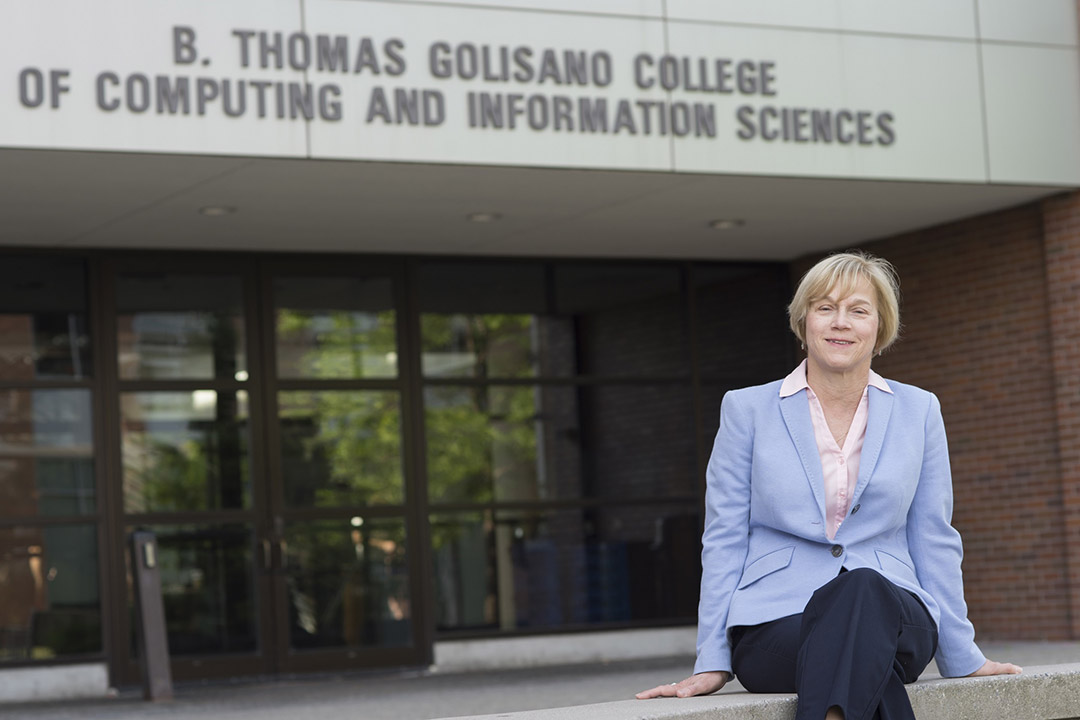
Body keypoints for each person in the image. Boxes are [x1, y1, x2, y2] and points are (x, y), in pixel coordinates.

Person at [636, 252, 1021, 720]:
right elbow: (724, 538)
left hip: (896, 617)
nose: (841, 323)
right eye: (824, 308)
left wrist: (963, 655)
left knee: (862, 589)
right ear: (803, 323)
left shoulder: (919, 410)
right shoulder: (746, 410)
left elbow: (933, 535)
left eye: (858, 310)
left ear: (880, 327)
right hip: (777, 625)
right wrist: (712, 659)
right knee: (859, 656)